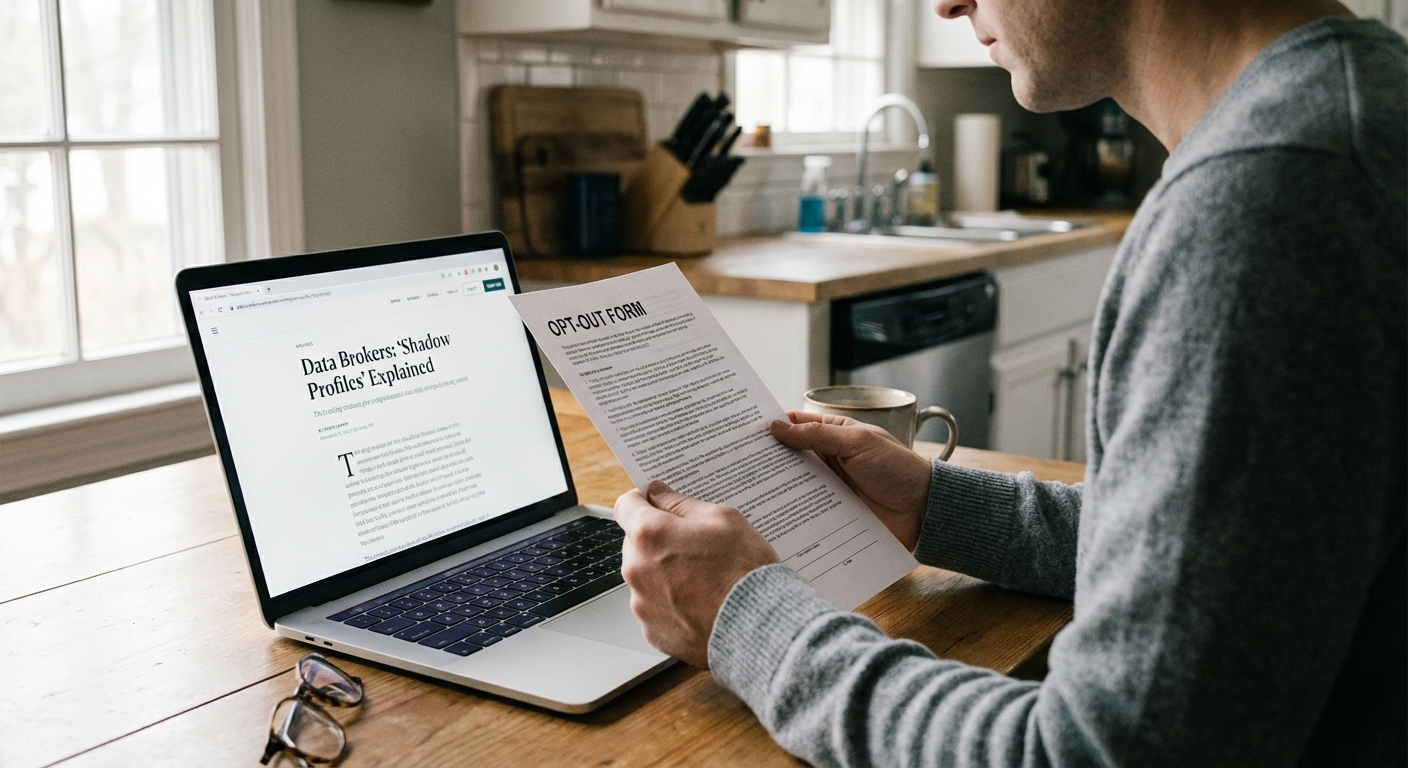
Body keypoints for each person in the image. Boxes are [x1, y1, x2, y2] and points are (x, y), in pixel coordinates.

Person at [612, 0, 1407, 764]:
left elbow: (1093, 755)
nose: (946, 5)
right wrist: (939, 504)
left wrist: (750, 622)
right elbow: (1247, 548)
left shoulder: (1264, 204)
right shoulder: (1356, 100)